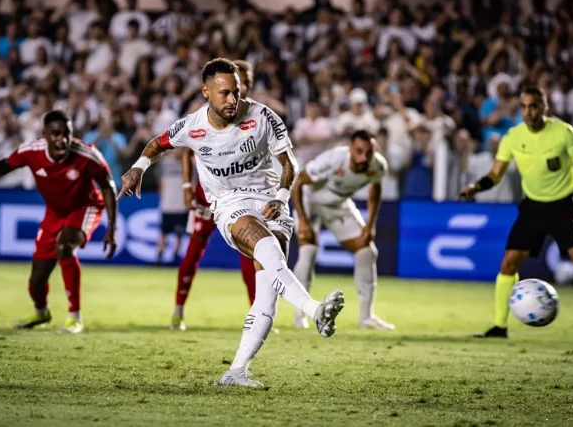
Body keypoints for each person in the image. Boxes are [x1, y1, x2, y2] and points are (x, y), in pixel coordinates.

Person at [118, 58, 345, 388]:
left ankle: (237, 370)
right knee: (264, 247)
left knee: (267, 288)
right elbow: (157, 145)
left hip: (271, 200)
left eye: (236, 93)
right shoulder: (192, 126)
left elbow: (290, 164)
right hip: (230, 204)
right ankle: (314, 310)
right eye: (224, 93)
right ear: (205, 91)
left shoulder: (263, 116)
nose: (232, 100)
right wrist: (139, 166)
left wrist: (281, 197)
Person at [460, 87, 573, 344]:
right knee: (508, 264)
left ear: (545, 107)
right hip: (533, 207)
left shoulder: (564, 133)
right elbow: (496, 173)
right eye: (524, 107)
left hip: (566, 205)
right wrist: (476, 187)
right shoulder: (513, 137)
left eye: (534, 106)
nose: (529, 112)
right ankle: (499, 326)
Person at [0, 110, 118, 334]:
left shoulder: (88, 155)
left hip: (85, 207)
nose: (62, 139)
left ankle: (74, 317)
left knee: (65, 246)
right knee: (36, 279)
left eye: (67, 134)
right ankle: (41, 312)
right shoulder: (31, 151)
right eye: (55, 134)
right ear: (44, 135)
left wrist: (112, 228)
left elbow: (109, 187)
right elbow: (7, 164)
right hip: (55, 213)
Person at [171, 59, 257, 331]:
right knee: (194, 250)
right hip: (207, 195)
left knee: (250, 254)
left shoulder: (258, 116)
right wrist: (187, 188)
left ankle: (257, 316)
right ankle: (178, 310)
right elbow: (186, 149)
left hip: (242, 196)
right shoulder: (207, 114)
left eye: (240, 82)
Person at [291, 130, 394, 331]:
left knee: (367, 251)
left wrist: (370, 224)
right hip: (310, 200)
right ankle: (299, 316)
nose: (363, 157)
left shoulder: (378, 166)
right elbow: (299, 183)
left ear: (376, 151)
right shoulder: (333, 159)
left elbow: (376, 189)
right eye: (359, 151)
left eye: (368, 153)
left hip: (338, 204)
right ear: (350, 149)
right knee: (308, 251)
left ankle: (367, 318)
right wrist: (303, 219)